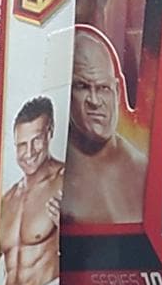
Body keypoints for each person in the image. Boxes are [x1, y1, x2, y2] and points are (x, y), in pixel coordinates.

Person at [0, 97, 63, 285]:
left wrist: (68, 229)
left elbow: (93, 255)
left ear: (50, 132)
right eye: (21, 145)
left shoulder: (65, 182)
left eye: (36, 140)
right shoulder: (7, 199)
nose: (29, 152)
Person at [62, 28, 146, 225]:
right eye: (82, 87)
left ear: (117, 91)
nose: (94, 100)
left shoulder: (142, 170)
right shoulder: (48, 169)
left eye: (103, 88)